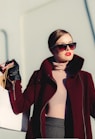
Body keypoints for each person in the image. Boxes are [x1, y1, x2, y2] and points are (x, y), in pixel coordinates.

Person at [5, 29, 95, 139]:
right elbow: (20, 106)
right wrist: (14, 77)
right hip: (47, 132)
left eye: (71, 45)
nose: (68, 49)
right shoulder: (40, 76)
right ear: (52, 49)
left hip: (76, 133)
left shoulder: (84, 78)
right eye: (62, 46)